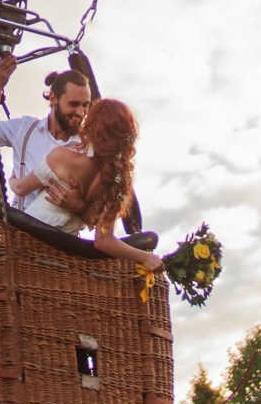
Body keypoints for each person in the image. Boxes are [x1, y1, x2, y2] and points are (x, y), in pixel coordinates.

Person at [13, 97, 164, 272]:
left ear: (91, 126)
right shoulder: (116, 182)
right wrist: (145, 257)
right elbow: (104, 241)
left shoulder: (62, 157)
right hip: (59, 260)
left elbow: (20, 189)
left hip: (24, 243)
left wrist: (13, 178)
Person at [0, 53, 89, 217]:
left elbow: (103, 211)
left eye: (85, 105)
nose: (80, 112)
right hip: (21, 232)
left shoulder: (88, 146)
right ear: (53, 98)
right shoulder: (25, 129)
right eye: (74, 104)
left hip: (62, 239)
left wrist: (79, 206)